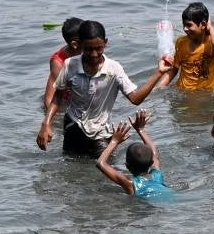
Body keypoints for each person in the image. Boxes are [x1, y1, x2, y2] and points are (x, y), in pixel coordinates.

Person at [37, 21, 172, 157]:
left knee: (104, 167)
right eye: (88, 49)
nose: (94, 54)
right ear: (80, 45)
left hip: (101, 132)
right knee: (70, 165)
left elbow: (135, 99)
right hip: (73, 126)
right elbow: (58, 96)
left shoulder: (114, 69)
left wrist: (159, 73)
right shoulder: (70, 64)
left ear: (105, 43)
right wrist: (46, 123)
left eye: (99, 48)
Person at [95, 110, 176, 199]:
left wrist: (114, 141)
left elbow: (100, 163)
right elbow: (154, 154)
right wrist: (140, 129)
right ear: (151, 162)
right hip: (173, 197)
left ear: (127, 166)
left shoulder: (130, 184)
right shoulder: (157, 175)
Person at [159, 2, 214, 92]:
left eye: (189, 25)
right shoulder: (181, 42)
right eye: (184, 25)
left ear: (203, 24)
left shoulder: (213, 43)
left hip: (205, 93)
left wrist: (210, 27)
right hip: (183, 91)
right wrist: (159, 87)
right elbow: (174, 69)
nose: (185, 29)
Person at [43, 17, 83, 113]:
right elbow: (49, 98)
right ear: (75, 44)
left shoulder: (89, 51)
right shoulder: (59, 63)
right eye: (87, 37)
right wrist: (53, 119)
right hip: (67, 102)